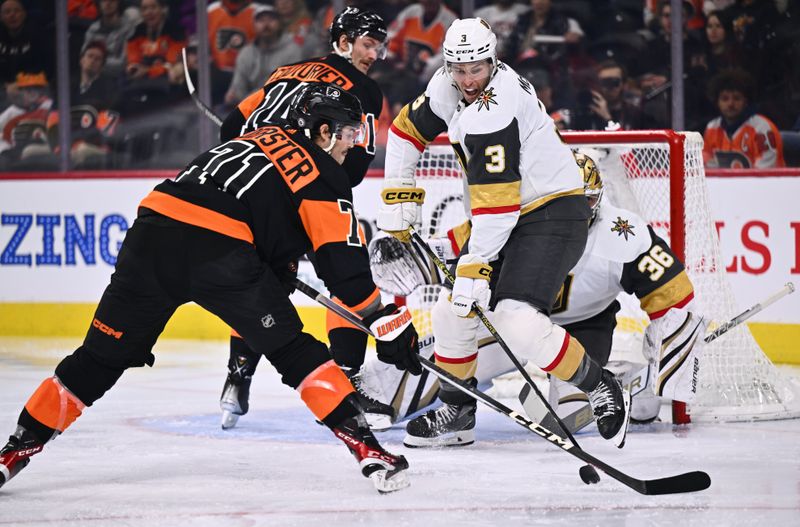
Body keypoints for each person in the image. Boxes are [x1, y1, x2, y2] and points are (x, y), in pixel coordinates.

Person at [0, 82, 420, 494]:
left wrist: (273, 261)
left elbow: (246, 200)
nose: (351, 145)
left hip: (152, 232)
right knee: (293, 351)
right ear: (323, 132)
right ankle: (370, 452)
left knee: (98, 359)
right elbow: (345, 272)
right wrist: (381, 320)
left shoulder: (259, 134)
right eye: (347, 134)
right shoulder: (324, 174)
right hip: (220, 251)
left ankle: (11, 454)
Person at [377, 18, 630, 449]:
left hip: (553, 214)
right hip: (509, 214)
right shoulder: (446, 85)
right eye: (460, 69)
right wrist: (399, 212)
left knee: (516, 320)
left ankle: (598, 383)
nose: (468, 79)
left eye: (477, 68)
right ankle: (458, 411)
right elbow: (403, 133)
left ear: (492, 60)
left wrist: (474, 268)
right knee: (448, 312)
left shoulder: (495, 108)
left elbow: (497, 205)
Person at [366, 153, 708, 428]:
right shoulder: (511, 217)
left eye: (584, 202)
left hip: (584, 327)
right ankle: (439, 403)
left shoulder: (623, 233)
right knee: (452, 342)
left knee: (567, 418)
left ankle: (624, 382)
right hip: (513, 319)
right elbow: (447, 251)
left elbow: (675, 296)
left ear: (598, 201)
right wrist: (412, 256)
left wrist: (666, 342)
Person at [219, 7, 391, 430]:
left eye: (379, 46)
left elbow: (229, 127)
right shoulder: (362, 88)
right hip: (306, 188)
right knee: (346, 272)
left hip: (252, 190)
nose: (374, 54)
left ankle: (235, 380)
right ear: (344, 40)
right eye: (368, 43)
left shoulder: (283, 71)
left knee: (263, 282)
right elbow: (352, 167)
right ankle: (347, 380)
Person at [703, 68, 785, 168]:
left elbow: (766, 174)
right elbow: (706, 167)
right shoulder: (712, 128)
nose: (730, 104)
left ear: (746, 101)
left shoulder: (762, 129)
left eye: (737, 98)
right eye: (725, 99)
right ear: (717, 102)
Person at [223, 4, 302, 106]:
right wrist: (234, 96)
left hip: (282, 108)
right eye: (261, 20)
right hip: (250, 109)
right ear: (254, 25)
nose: (266, 25)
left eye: (271, 20)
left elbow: (289, 88)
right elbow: (238, 88)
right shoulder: (246, 53)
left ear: (279, 24)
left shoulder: (292, 50)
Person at [83, 0, 137, 79]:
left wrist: (96, 62)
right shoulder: (93, 29)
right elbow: (84, 59)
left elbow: (124, 63)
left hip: (119, 80)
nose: (107, 3)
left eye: (112, 0)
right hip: (93, 79)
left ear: (118, 2)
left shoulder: (129, 28)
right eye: (103, 1)